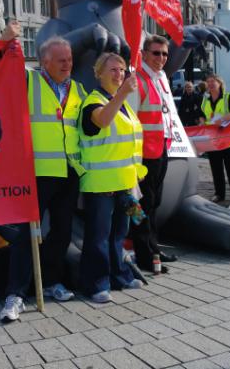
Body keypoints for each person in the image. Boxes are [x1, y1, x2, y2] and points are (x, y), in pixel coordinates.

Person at [0, 22, 85, 322]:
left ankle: (50, 282)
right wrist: (5, 40)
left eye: (70, 60)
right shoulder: (30, 81)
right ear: (45, 61)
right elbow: (2, 68)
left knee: (61, 233)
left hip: (69, 172)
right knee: (26, 235)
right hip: (36, 173)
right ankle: (16, 294)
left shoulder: (79, 89)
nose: (68, 65)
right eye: (61, 60)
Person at [78, 52, 146, 303]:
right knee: (98, 237)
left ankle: (120, 275)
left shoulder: (123, 104)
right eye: (113, 70)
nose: (119, 75)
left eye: (121, 70)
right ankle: (96, 283)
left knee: (119, 233)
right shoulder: (93, 102)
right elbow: (103, 121)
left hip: (125, 183)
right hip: (101, 185)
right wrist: (122, 94)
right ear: (98, 73)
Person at [127, 35, 178, 273]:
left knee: (154, 204)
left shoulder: (162, 79)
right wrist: (134, 160)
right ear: (144, 54)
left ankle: (153, 246)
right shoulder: (137, 80)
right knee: (141, 206)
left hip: (160, 149)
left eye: (165, 54)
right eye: (156, 53)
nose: (161, 58)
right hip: (143, 155)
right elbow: (130, 121)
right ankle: (145, 254)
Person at [200, 74, 230, 203]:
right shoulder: (205, 100)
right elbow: (201, 114)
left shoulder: (228, 97)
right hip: (213, 140)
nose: (210, 84)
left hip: (229, 140)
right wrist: (201, 121)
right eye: (208, 82)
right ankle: (219, 194)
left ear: (220, 83)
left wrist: (222, 119)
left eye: (213, 81)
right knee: (216, 169)